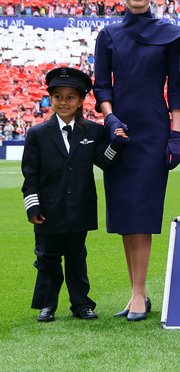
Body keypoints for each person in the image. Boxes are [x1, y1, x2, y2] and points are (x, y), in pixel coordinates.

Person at [94, 0, 180, 321]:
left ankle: (139, 294)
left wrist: (176, 135)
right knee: (126, 212)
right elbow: (102, 86)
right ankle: (136, 292)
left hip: (153, 132)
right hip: (119, 133)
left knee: (142, 211)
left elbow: (176, 90)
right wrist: (110, 118)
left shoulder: (169, 34)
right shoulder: (108, 35)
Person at [22, 68, 124, 323]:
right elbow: (30, 175)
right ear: (50, 99)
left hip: (80, 207)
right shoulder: (37, 133)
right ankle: (47, 305)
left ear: (80, 101)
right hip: (48, 209)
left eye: (70, 97)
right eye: (58, 96)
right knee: (47, 257)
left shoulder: (93, 130)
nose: (63, 102)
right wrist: (33, 208)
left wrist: (116, 144)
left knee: (77, 258)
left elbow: (104, 161)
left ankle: (81, 304)